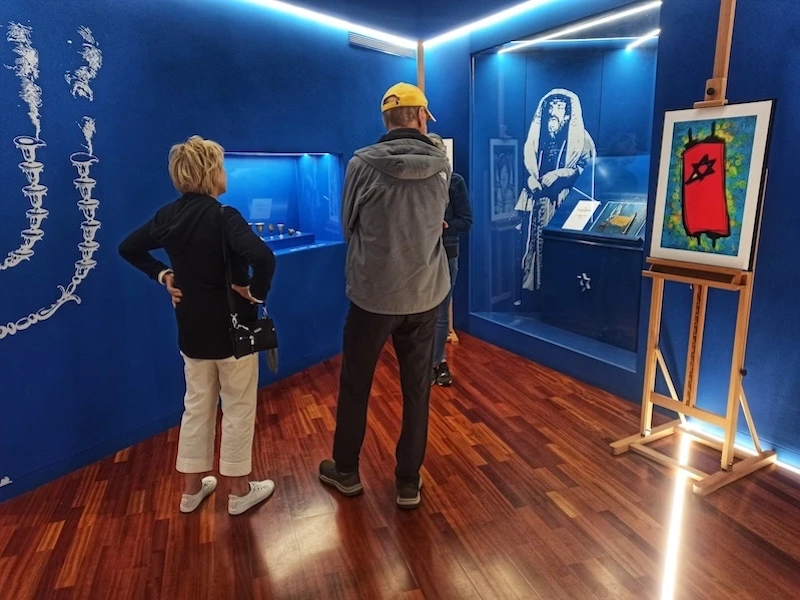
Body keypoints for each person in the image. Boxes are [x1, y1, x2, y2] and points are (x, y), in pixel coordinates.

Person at [118, 135, 277, 516]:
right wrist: (254, 293)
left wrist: (163, 275)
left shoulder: (167, 216)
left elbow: (129, 247)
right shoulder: (224, 216)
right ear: (211, 172)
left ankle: (191, 490)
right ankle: (239, 491)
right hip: (234, 332)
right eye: (221, 166)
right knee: (238, 407)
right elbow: (264, 257)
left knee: (196, 406)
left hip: (191, 330)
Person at [319, 82, 451, 510]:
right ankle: (408, 482)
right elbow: (437, 222)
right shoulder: (442, 164)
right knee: (417, 390)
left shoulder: (361, 163)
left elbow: (347, 226)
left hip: (373, 297)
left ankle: (346, 471)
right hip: (425, 295)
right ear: (421, 116)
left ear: (386, 119)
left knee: (355, 385)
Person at [515, 88, 596, 290]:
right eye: (550, 106)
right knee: (534, 245)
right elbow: (528, 166)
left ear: (568, 114)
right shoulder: (539, 137)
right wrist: (531, 179)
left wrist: (562, 174)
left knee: (559, 253)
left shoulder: (581, 138)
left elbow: (588, 169)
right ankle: (534, 291)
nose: (552, 111)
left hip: (564, 203)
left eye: (559, 106)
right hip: (538, 202)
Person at [427, 133, 472, 387]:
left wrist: (445, 226)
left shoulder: (455, 182)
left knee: (442, 309)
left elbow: (466, 221)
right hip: (421, 255)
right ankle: (425, 363)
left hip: (447, 251)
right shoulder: (416, 183)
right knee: (422, 311)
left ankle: (438, 362)